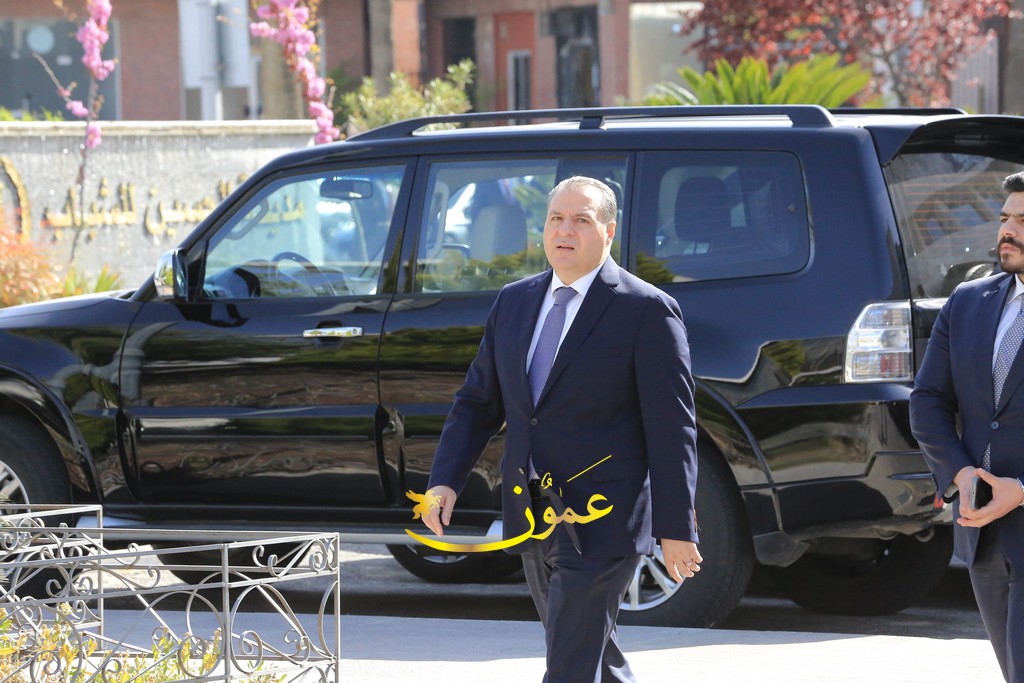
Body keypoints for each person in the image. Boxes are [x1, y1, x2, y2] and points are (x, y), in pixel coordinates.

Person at [419, 175, 702, 682]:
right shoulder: (514, 301)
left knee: (570, 661)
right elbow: (478, 403)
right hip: (531, 512)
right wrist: (444, 481)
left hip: (603, 519)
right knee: (590, 652)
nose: (564, 230)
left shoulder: (646, 310)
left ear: (608, 232)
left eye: (581, 220)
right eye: (555, 218)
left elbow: (672, 427)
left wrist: (676, 528)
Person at [910, 171, 1024, 682]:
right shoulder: (967, 301)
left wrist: (1021, 490)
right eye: (1004, 218)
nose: (1007, 231)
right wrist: (959, 474)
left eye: (1023, 220)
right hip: (984, 537)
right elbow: (929, 399)